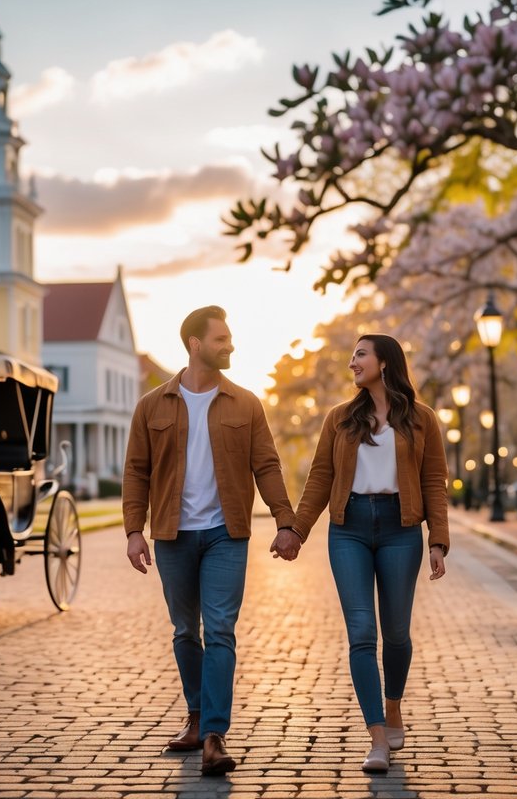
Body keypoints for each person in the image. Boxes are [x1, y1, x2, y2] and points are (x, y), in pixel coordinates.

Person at [123, 305, 301, 777]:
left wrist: (286, 522)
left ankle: (215, 736)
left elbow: (267, 465)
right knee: (185, 631)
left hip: (226, 534)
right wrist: (133, 531)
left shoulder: (245, 403)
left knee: (220, 629)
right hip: (173, 534)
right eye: (221, 339)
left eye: (230, 338)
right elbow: (137, 471)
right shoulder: (152, 405)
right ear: (195, 344)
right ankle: (197, 717)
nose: (230, 345)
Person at [281, 333, 449, 773]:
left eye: (360, 354)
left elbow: (434, 482)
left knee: (396, 633)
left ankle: (393, 705)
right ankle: (377, 736)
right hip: (348, 529)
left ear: (385, 363)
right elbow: (320, 477)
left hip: (401, 529)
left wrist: (437, 541)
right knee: (361, 632)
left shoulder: (422, 419)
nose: (352, 362)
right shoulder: (340, 418)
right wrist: (297, 530)